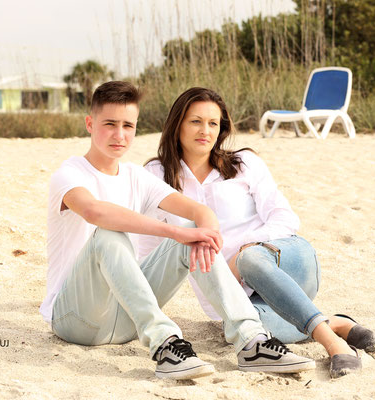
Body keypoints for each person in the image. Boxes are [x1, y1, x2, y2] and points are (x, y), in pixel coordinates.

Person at [40, 81, 317, 381]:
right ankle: (164, 344)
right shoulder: (68, 174)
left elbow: (200, 212)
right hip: (76, 318)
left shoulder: (136, 176)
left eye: (128, 126)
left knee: (190, 228)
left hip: (129, 320)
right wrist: (174, 234)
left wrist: (200, 234)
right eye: (109, 124)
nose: (119, 135)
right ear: (90, 124)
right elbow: (95, 212)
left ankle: (252, 341)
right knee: (110, 233)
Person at [139, 87, 375, 378]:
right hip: (232, 296)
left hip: (285, 262)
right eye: (195, 121)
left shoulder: (243, 163)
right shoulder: (155, 175)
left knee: (250, 259)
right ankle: (333, 323)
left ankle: (333, 344)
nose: (205, 130)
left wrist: (242, 254)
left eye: (213, 123)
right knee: (247, 330)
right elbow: (149, 249)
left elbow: (285, 218)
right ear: (177, 124)